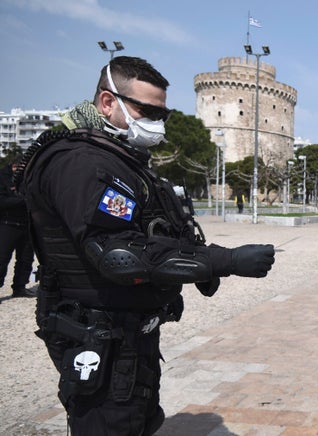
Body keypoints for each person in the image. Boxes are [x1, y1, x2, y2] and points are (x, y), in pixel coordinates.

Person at [17, 56, 275, 435]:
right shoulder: (80, 162)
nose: (156, 121)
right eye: (147, 110)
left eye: (163, 114)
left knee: (140, 420)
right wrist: (224, 260)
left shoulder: (120, 159)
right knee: (112, 425)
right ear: (108, 102)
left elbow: (158, 232)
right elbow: (121, 256)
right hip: (97, 328)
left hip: (127, 330)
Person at [0, 156, 35, 298]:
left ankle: (20, 287)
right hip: (8, 223)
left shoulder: (29, 177)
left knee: (26, 259)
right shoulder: (3, 176)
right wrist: (23, 201)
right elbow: (2, 201)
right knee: (2, 259)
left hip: (27, 224)